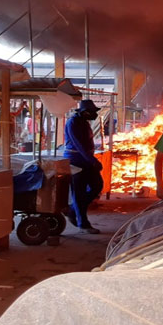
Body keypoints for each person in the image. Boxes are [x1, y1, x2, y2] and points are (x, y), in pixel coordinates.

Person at [63, 99, 103, 234]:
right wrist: (92, 161)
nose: (94, 115)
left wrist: (91, 159)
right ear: (85, 112)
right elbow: (79, 145)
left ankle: (72, 210)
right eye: (92, 112)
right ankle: (83, 224)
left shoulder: (84, 122)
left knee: (97, 185)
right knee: (79, 193)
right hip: (76, 161)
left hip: (86, 160)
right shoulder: (72, 122)